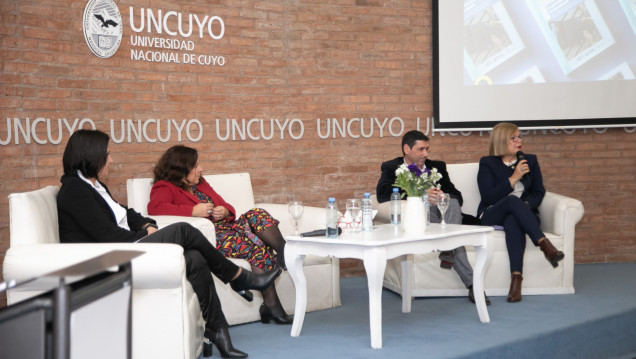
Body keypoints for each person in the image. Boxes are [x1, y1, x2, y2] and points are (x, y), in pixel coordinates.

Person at [57, 129, 280, 358]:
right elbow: (107, 235)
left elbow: (128, 213)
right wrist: (143, 238)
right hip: (114, 257)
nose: (111, 159)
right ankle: (236, 276)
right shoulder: (75, 190)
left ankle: (218, 329)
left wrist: (146, 226)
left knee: (195, 257)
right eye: (107, 154)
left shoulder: (95, 185)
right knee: (184, 229)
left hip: (128, 246)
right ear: (91, 155)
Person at [148, 145, 292, 325]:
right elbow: (155, 208)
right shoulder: (165, 186)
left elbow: (226, 205)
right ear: (181, 168)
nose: (200, 169)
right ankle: (272, 306)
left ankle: (283, 250)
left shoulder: (201, 183)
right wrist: (192, 211)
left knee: (257, 213)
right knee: (256, 250)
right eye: (195, 166)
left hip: (230, 227)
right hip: (212, 237)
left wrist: (225, 211)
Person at [376, 130, 490, 305]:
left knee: (451, 202)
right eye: (421, 149)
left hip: (444, 216)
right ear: (407, 149)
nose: (426, 154)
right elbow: (383, 194)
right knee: (455, 237)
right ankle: (471, 282)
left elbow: (457, 196)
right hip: (419, 219)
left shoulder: (437, 167)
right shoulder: (391, 167)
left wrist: (441, 195)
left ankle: (448, 248)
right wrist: (420, 195)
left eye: (427, 149)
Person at [477, 122, 564, 303]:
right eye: (514, 138)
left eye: (520, 137)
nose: (519, 141)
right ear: (502, 140)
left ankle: (516, 281)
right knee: (511, 201)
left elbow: (538, 192)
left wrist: (523, 205)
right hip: (493, 213)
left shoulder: (530, 160)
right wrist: (514, 177)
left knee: (513, 220)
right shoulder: (487, 163)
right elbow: (488, 197)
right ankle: (544, 244)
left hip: (521, 215)